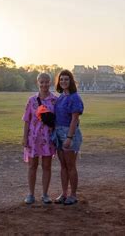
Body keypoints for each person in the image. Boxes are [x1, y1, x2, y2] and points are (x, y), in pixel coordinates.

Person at [21, 73, 57, 204]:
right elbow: (26, 120)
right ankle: (30, 194)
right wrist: (25, 138)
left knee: (47, 166)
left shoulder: (54, 100)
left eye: (47, 82)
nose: (44, 85)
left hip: (48, 139)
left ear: (50, 82)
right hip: (33, 138)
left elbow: (56, 121)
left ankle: (45, 194)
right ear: (38, 83)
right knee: (32, 166)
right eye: (42, 82)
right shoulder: (32, 100)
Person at [53, 69, 84, 205]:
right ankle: (64, 193)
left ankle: (73, 194)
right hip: (58, 133)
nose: (63, 81)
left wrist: (69, 137)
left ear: (71, 81)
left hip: (69, 133)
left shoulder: (74, 97)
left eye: (66, 79)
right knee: (63, 166)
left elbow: (74, 120)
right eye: (61, 79)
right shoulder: (61, 97)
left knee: (71, 166)